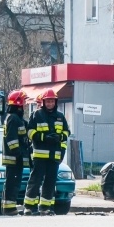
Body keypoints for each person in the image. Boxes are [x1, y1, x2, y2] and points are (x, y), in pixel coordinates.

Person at [25, 88, 70, 216]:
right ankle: (29, 207)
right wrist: (44, 137)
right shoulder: (36, 115)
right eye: (48, 101)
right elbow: (30, 132)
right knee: (35, 180)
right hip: (39, 155)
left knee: (50, 182)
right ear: (43, 102)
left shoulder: (60, 116)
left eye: (52, 101)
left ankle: (45, 208)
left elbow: (67, 132)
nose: (50, 103)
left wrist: (60, 137)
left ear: (55, 102)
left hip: (54, 155)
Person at [2, 89, 30, 216]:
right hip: (14, 158)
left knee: (13, 183)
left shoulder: (16, 118)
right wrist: (18, 154)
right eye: (23, 102)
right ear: (19, 104)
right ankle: (9, 209)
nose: (24, 105)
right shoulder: (13, 118)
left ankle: (9, 207)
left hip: (15, 158)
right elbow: (12, 139)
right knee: (12, 183)